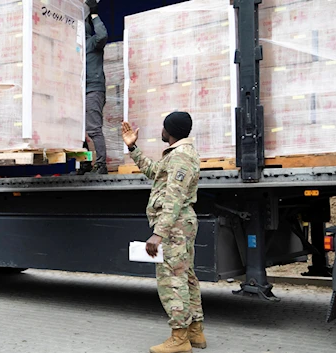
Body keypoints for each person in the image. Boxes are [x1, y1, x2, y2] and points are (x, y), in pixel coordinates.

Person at [121, 112, 206, 353]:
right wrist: (133, 147)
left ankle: (179, 338)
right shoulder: (177, 155)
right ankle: (195, 331)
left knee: (172, 280)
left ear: (170, 130)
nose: (161, 130)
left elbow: (174, 198)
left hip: (174, 226)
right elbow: (154, 172)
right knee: (186, 276)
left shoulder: (180, 157)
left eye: (163, 127)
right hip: (179, 224)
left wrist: (159, 233)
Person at [78, 0, 108, 175]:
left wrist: (94, 13)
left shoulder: (93, 42)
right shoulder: (76, 48)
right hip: (78, 91)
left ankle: (101, 165)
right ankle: (85, 163)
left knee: (93, 128)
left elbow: (103, 35)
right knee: (78, 131)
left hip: (93, 90)